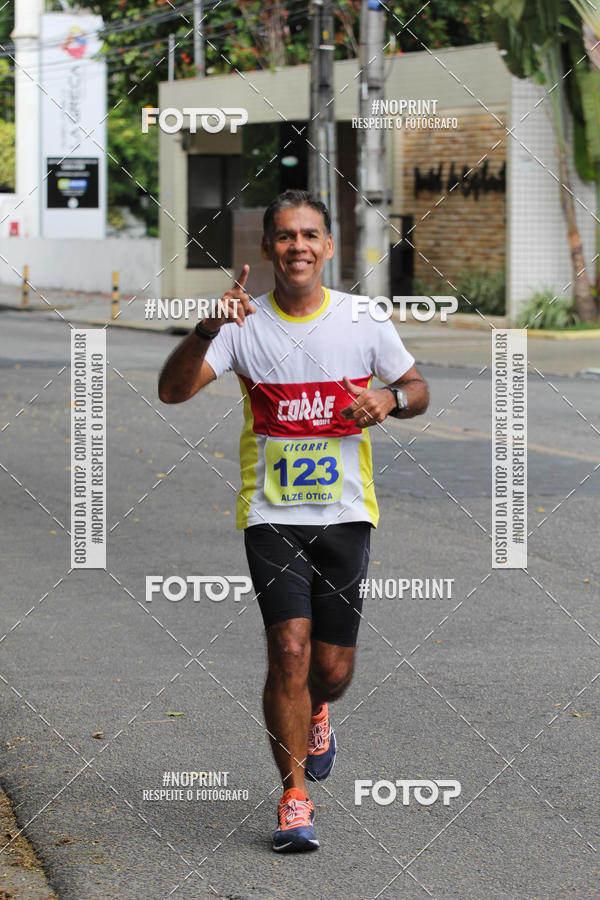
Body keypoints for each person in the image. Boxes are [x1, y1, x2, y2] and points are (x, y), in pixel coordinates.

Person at [158, 189, 429, 853]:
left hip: (346, 516)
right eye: (285, 236)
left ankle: (319, 709)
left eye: (310, 235)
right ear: (268, 248)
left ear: (328, 247)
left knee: (329, 671)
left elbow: (418, 390)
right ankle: (294, 798)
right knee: (288, 652)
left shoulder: (363, 319)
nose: (298, 246)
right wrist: (207, 329)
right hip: (272, 517)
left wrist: (389, 399)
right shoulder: (242, 325)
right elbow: (172, 391)